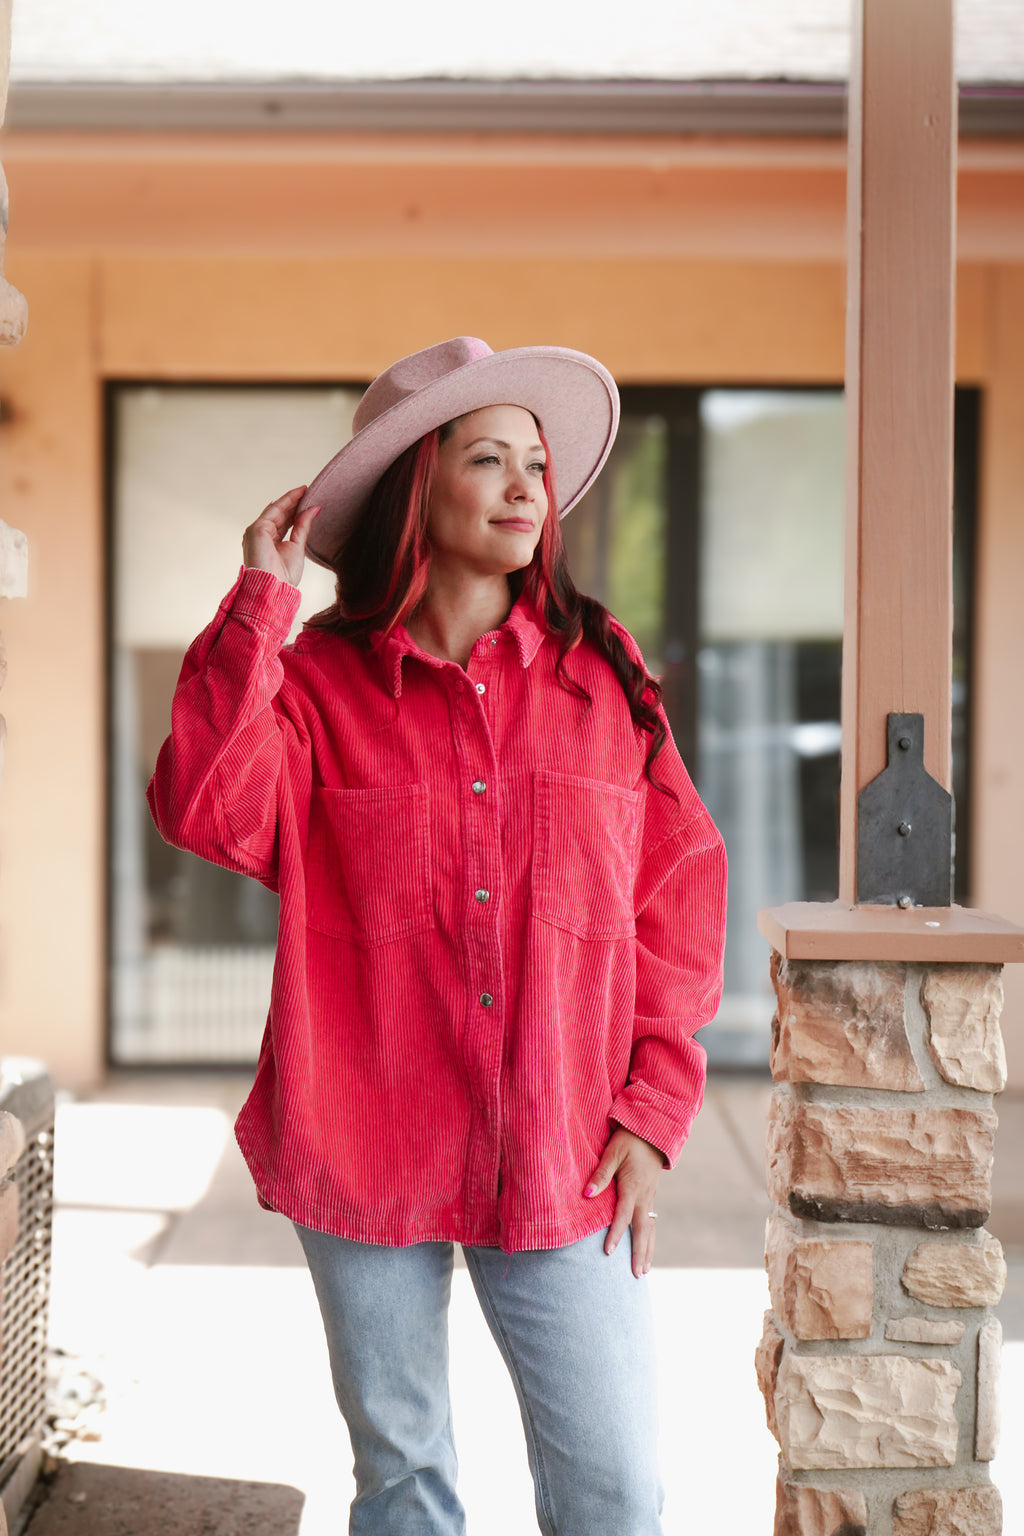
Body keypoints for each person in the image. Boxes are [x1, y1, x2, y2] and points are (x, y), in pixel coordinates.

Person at [148, 336, 727, 1536]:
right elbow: (205, 808)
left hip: (565, 1146)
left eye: (536, 463)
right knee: (403, 1482)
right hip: (364, 1137)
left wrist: (656, 1109)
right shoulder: (311, 686)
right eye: (488, 459)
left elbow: (676, 894)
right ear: (420, 484)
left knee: (616, 1496)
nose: (528, 487)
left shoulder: (603, 685)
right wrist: (262, 599)